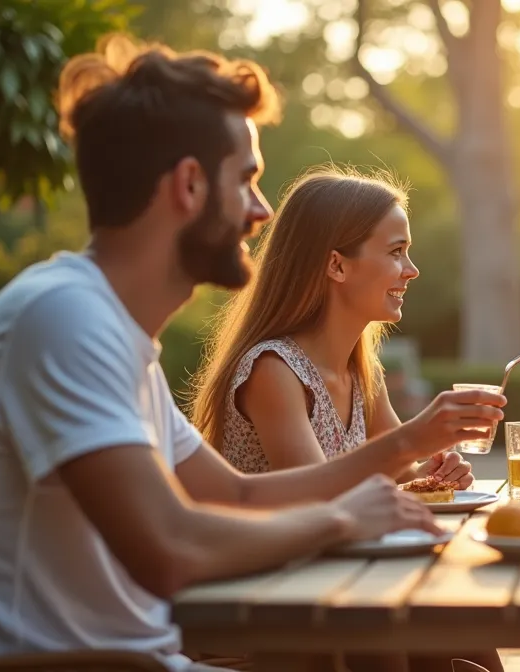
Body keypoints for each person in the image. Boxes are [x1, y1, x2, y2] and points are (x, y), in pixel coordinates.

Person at [0, 35, 505, 672]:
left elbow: (239, 497)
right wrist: (342, 519)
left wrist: (399, 452)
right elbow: (171, 545)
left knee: (439, 651)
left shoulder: (114, 337)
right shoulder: (61, 318)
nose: (260, 211)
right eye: (248, 181)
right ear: (190, 185)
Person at [187, 167, 503, 672]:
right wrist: (415, 442)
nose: (411, 269)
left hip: (343, 582)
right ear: (337, 265)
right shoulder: (273, 370)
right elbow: (327, 502)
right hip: (273, 601)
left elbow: (398, 477)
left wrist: (436, 475)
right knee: (394, 636)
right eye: (396, 251)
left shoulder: (361, 368)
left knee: (469, 634)